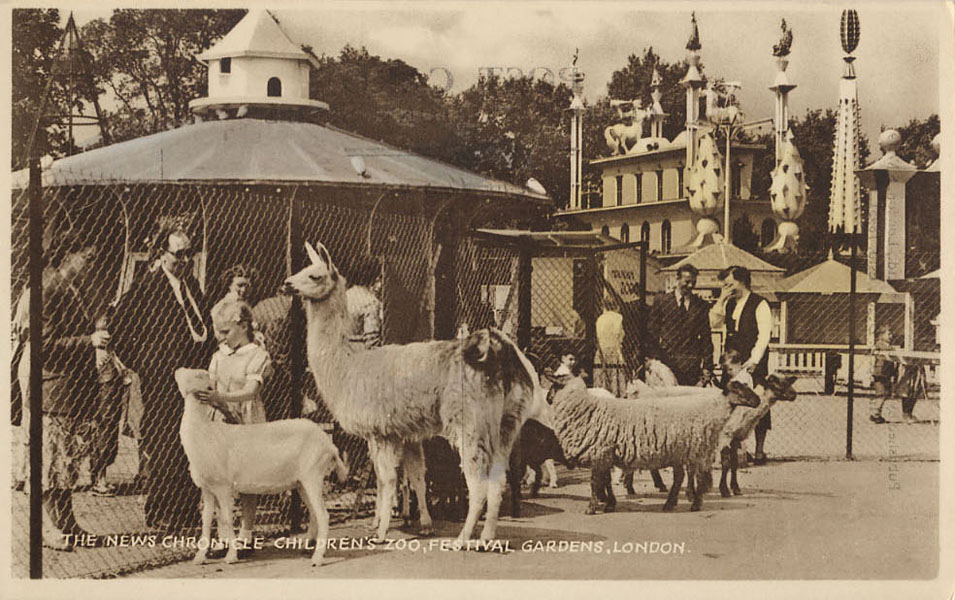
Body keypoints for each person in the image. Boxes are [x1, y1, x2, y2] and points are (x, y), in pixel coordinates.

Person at [113, 224, 212, 531]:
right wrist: (146, 365)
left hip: (191, 380)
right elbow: (118, 329)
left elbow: (202, 326)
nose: (185, 260)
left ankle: (186, 510)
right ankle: (161, 510)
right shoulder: (148, 286)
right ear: (162, 254)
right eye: (179, 254)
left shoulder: (191, 285)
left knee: (191, 444)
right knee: (165, 443)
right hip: (163, 382)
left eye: (189, 254)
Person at [16, 232, 102, 550]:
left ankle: (67, 522)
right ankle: (47, 528)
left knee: (65, 464)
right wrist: (88, 341)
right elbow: (44, 345)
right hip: (52, 389)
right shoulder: (48, 287)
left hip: (71, 390)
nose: (91, 266)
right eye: (87, 259)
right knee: (50, 464)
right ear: (68, 255)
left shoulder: (73, 287)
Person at [197, 299, 272, 552]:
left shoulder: (258, 355)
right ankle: (223, 534)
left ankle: (246, 533)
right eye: (219, 331)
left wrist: (222, 397)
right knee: (220, 477)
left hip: (246, 419)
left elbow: (251, 391)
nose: (221, 337)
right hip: (220, 419)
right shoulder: (219, 355)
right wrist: (213, 399)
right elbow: (211, 384)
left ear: (243, 326)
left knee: (247, 476)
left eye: (226, 331)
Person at [713, 265, 772, 464]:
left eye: (730, 284)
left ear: (742, 282)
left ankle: (759, 450)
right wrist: (721, 299)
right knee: (732, 403)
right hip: (733, 361)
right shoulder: (730, 304)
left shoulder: (760, 303)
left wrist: (755, 359)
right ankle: (737, 450)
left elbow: (764, 335)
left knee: (758, 403)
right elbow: (715, 323)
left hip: (752, 359)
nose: (727, 288)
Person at [646, 264, 715, 386]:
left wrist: (707, 367)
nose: (690, 286)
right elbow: (652, 332)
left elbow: (706, 338)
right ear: (677, 279)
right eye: (687, 282)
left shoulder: (700, 305)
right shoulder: (662, 301)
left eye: (693, 282)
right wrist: (653, 359)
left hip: (691, 367)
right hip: (667, 364)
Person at [88, 308, 131, 497]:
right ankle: (98, 477)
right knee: (104, 423)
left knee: (109, 423)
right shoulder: (97, 309)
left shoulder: (112, 307)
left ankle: (99, 474)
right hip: (103, 371)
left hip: (110, 370)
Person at [345, 257, 383, 348]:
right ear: (372, 279)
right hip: (359, 351)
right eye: (378, 279)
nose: (380, 284)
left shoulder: (344, 296)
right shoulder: (371, 302)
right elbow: (372, 342)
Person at [869, 326, 898, 424]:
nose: (891, 336)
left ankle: (877, 412)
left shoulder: (888, 345)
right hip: (880, 372)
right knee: (881, 393)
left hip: (887, 373)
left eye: (891, 334)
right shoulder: (880, 344)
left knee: (886, 393)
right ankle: (875, 413)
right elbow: (877, 349)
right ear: (881, 335)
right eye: (888, 334)